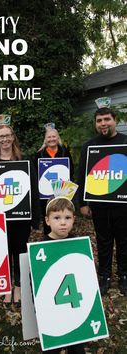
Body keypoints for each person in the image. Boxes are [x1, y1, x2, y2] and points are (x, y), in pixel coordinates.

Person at [0, 123, 41, 304]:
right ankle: (5, 286)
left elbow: (34, 189)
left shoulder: (24, 160)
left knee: (19, 250)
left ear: (13, 137)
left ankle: (18, 286)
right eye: (1, 136)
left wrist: (35, 218)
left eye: (7, 135)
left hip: (21, 218)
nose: (4, 139)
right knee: (3, 252)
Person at [78, 107, 127, 296]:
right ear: (95, 124)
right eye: (99, 121)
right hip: (99, 205)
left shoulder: (125, 142)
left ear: (115, 120)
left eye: (107, 119)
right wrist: (82, 203)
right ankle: (104, 276)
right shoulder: (88, 146)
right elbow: (82, 175)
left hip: (123, 205)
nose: (103, 124)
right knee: (103, 241)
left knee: (124, 241)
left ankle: (124, 276)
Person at [43, 197, 86, 354]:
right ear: (47, 221)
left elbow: (84, 277)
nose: (63, 222)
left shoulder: (79, 245)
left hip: (74, 308)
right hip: (52, 311)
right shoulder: (40, 250)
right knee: (52, 349)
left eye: (67, 218)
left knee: (77, 348)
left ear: (74, 219)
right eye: (57, 218)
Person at [34, 127, 74, 234]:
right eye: (49, 137)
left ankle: (65, 238)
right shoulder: (39, 154)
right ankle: (48, 237)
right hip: (45, 194)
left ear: (58, 138)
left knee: (63, 215)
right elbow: (35, 174)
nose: (51, 139)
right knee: (49, 215)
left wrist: (69, 189)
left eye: (54, 136)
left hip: (62, 191)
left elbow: (71, 171)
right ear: (45, 139)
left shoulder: (65, 152)